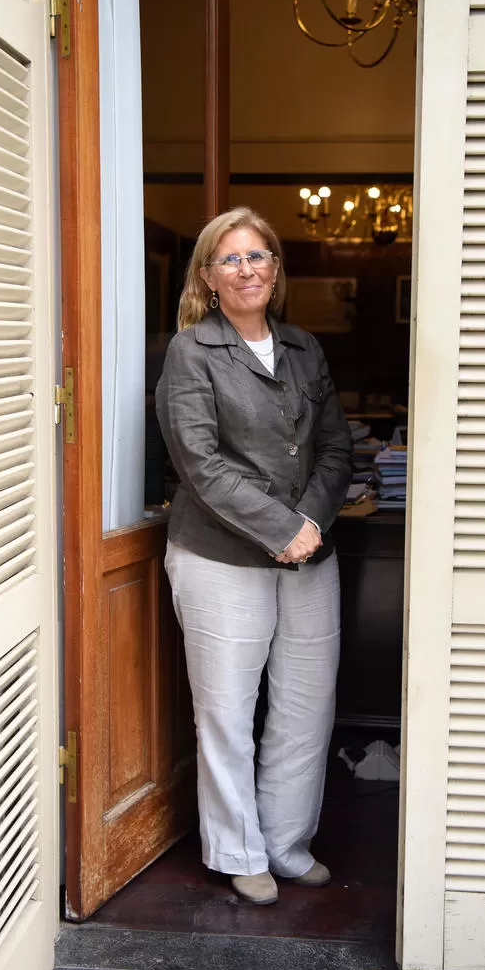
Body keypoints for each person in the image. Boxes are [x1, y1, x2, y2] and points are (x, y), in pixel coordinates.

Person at [155, 207, 352, 906]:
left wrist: (311, 522)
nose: (247, 269)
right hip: (219, 559)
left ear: (276, 267)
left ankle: (287, 845)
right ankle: (239, 850)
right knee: (228, 710)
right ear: (208, 277)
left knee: (305, 706)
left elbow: (335, 446)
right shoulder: (192, 352)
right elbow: (200, 464)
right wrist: (280, 527)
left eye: (258, 255)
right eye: (230, 259)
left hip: (310, 553)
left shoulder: (304, 348)